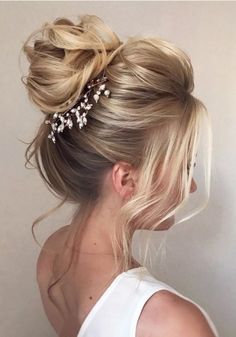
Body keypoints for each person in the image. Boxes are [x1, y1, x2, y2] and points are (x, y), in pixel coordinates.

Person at [21, 14, 219, 337]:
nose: (192, 185)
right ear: (126, 179)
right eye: (185, 168)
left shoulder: (52, 255)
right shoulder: (173, 325)